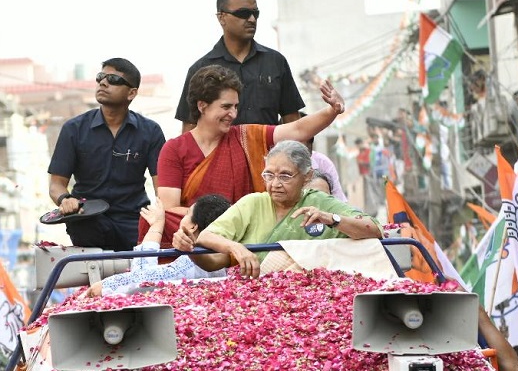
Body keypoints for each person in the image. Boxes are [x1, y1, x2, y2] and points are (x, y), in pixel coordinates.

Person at [146, 65, 345, 252]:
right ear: (202, 105)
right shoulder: (174, 149)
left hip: (247, 236)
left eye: (235, 106)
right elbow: (171, 209)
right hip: (196, 240)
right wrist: (220, 222)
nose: (233, 114)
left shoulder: (245, 136)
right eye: (225, 106)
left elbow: (297, 129)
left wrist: (332, 110)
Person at [172, 140, 383, 279]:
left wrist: (333, 219)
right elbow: (209, 242)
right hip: (256, 300)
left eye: (285, 176)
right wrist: (234, 248)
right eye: (269, 175)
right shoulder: (252, 203)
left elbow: (373, 229)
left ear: (307, 177)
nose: (275, 184)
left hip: (309, 298)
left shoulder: (320, 203)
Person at [47, 58, 166, 251]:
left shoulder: (150, 131)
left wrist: (160, 220)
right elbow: (56, 184)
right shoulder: (74, 129)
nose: (103, 82)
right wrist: (65, 199)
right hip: (88, 219)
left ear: (132, 93)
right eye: (100, 77)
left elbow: (162, 187)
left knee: (138, 273)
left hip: (134, 220)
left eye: (113, 79)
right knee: (88, 243)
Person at [175, 0, 304, 133]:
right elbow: (189, 129)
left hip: (269, 154)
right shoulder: (201, 70)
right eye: (243, 13)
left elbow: (293, 122)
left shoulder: (275, 62)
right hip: (219, 155)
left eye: (255, 14)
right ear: (222, 17)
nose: (252, 19)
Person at [81, 194, 231, 297]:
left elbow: (141, 279)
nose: (182, 218)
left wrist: (157, 227)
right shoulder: (233, 257)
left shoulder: (194, 263)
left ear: (192, 227)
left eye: (186, 214)